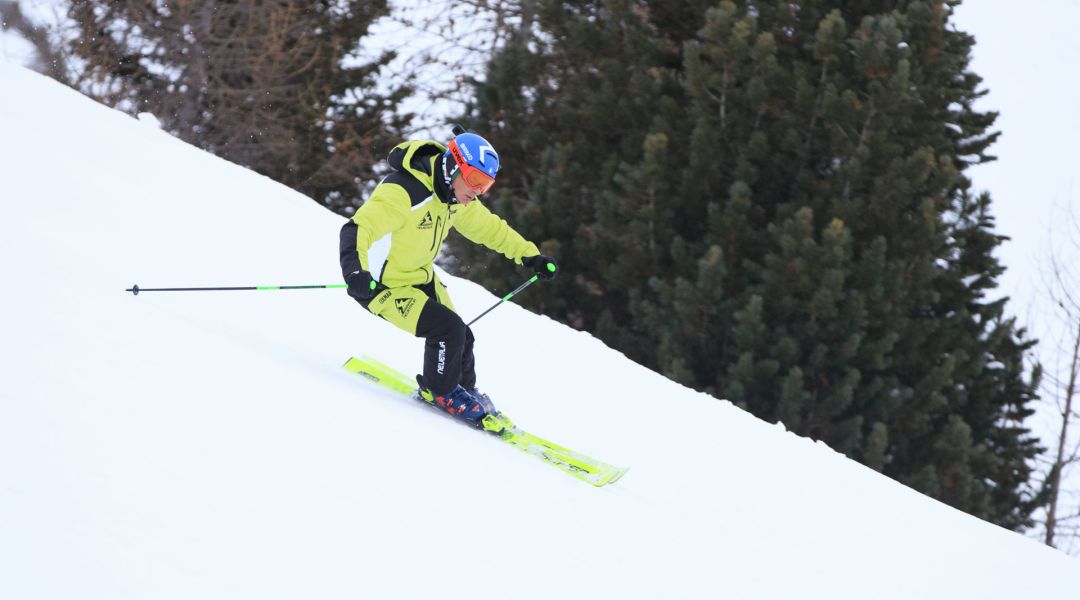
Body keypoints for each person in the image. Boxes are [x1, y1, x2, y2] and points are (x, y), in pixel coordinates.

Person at [339, 126, 558, 432]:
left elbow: (491, 229)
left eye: (486, 185)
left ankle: (463, 391)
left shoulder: (455, 197)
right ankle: (439, 391)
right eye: (475, 181)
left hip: (419, 277)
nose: (478, 192)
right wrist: (354, 273)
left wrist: (529, 256)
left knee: (462, 336)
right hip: (380, 286)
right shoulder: (403, 192)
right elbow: (356, 230)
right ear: (453, 166)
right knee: (447, 330)